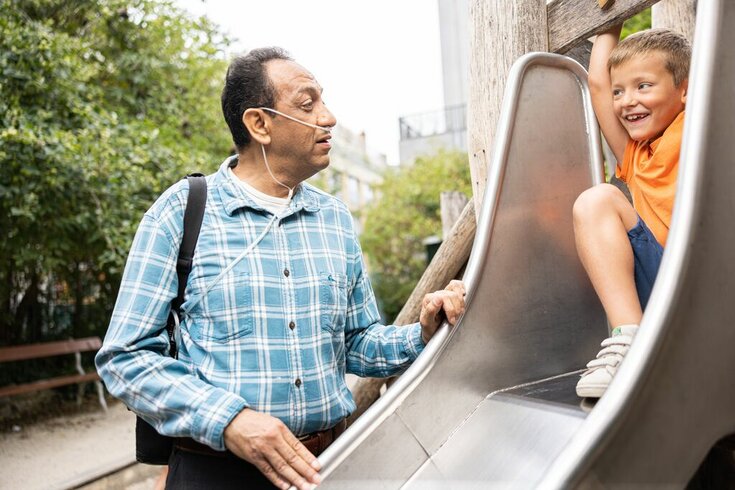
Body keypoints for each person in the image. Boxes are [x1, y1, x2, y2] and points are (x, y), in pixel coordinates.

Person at [95, 47, 466, 490]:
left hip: (326, 466)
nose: (328, 118)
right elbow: (126, 358)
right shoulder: (181, 211)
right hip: (215, 474)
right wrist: (231, 421)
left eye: (323, 102)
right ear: (259, 124)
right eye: (308, 104)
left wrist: (424, 332)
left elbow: (357, 342)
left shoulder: (334, 218)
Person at [573, 27, 690, 398]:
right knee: (596, 200)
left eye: (644, 86)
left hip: (709, 281)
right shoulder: (635, 157)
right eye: (621, 91)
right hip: (662, 284)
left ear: (686, 90)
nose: (626, 102)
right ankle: (629, 340)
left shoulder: (699, 128)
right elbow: (597, 84)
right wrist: (608, 18)